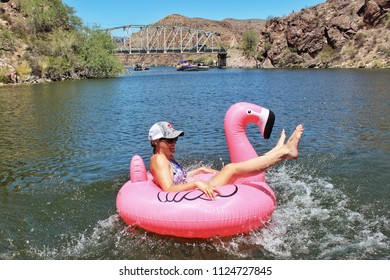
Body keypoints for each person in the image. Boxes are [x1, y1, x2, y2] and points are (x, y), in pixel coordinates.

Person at [148, 121, 304, 200]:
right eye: (169, 140)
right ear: (155, 142)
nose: (173, 142)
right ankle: (284, 152)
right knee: (231, 169)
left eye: (174, 138)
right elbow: (168, 189)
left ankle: (278, 150)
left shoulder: (166, 157)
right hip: (187, 198)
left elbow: (175, 177)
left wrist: (198, 171)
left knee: (234, 169)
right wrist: (196, 183)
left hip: (189, 191)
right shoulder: (158, 159)